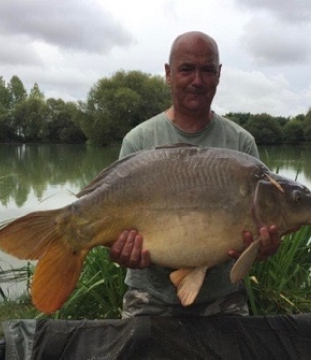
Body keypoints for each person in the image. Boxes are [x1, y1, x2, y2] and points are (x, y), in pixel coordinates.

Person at [110, 31, 281, 318]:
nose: (197, 81)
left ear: (219, 74)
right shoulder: (138, 141)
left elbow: (256, 230)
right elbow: (118, 227)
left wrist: (261, 248)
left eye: (207, 70)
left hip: (223, 297)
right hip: (148, 295)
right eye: (187, 69)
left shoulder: (242, 144)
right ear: (168, 74)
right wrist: (121, 252)